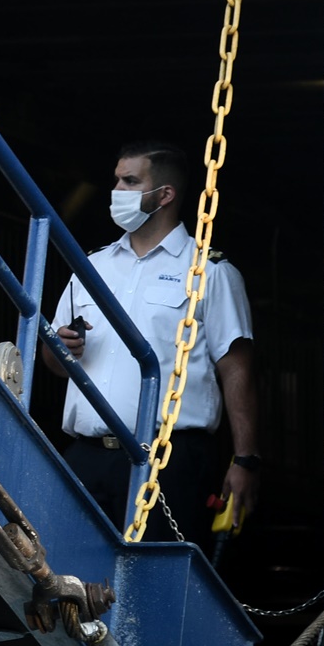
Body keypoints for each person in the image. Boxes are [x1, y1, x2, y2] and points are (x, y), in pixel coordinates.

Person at [39, 141, 259, 545]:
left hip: (167, 459)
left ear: (165, 195)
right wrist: (59, 350)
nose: (117, 191)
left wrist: (244, 459)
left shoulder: (209, 271)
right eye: (116, 181)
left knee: (152, 578)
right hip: (85, 455)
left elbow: (236, 368)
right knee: (68, 577)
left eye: (130, 181)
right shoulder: (91, 266)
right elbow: (54, 361)